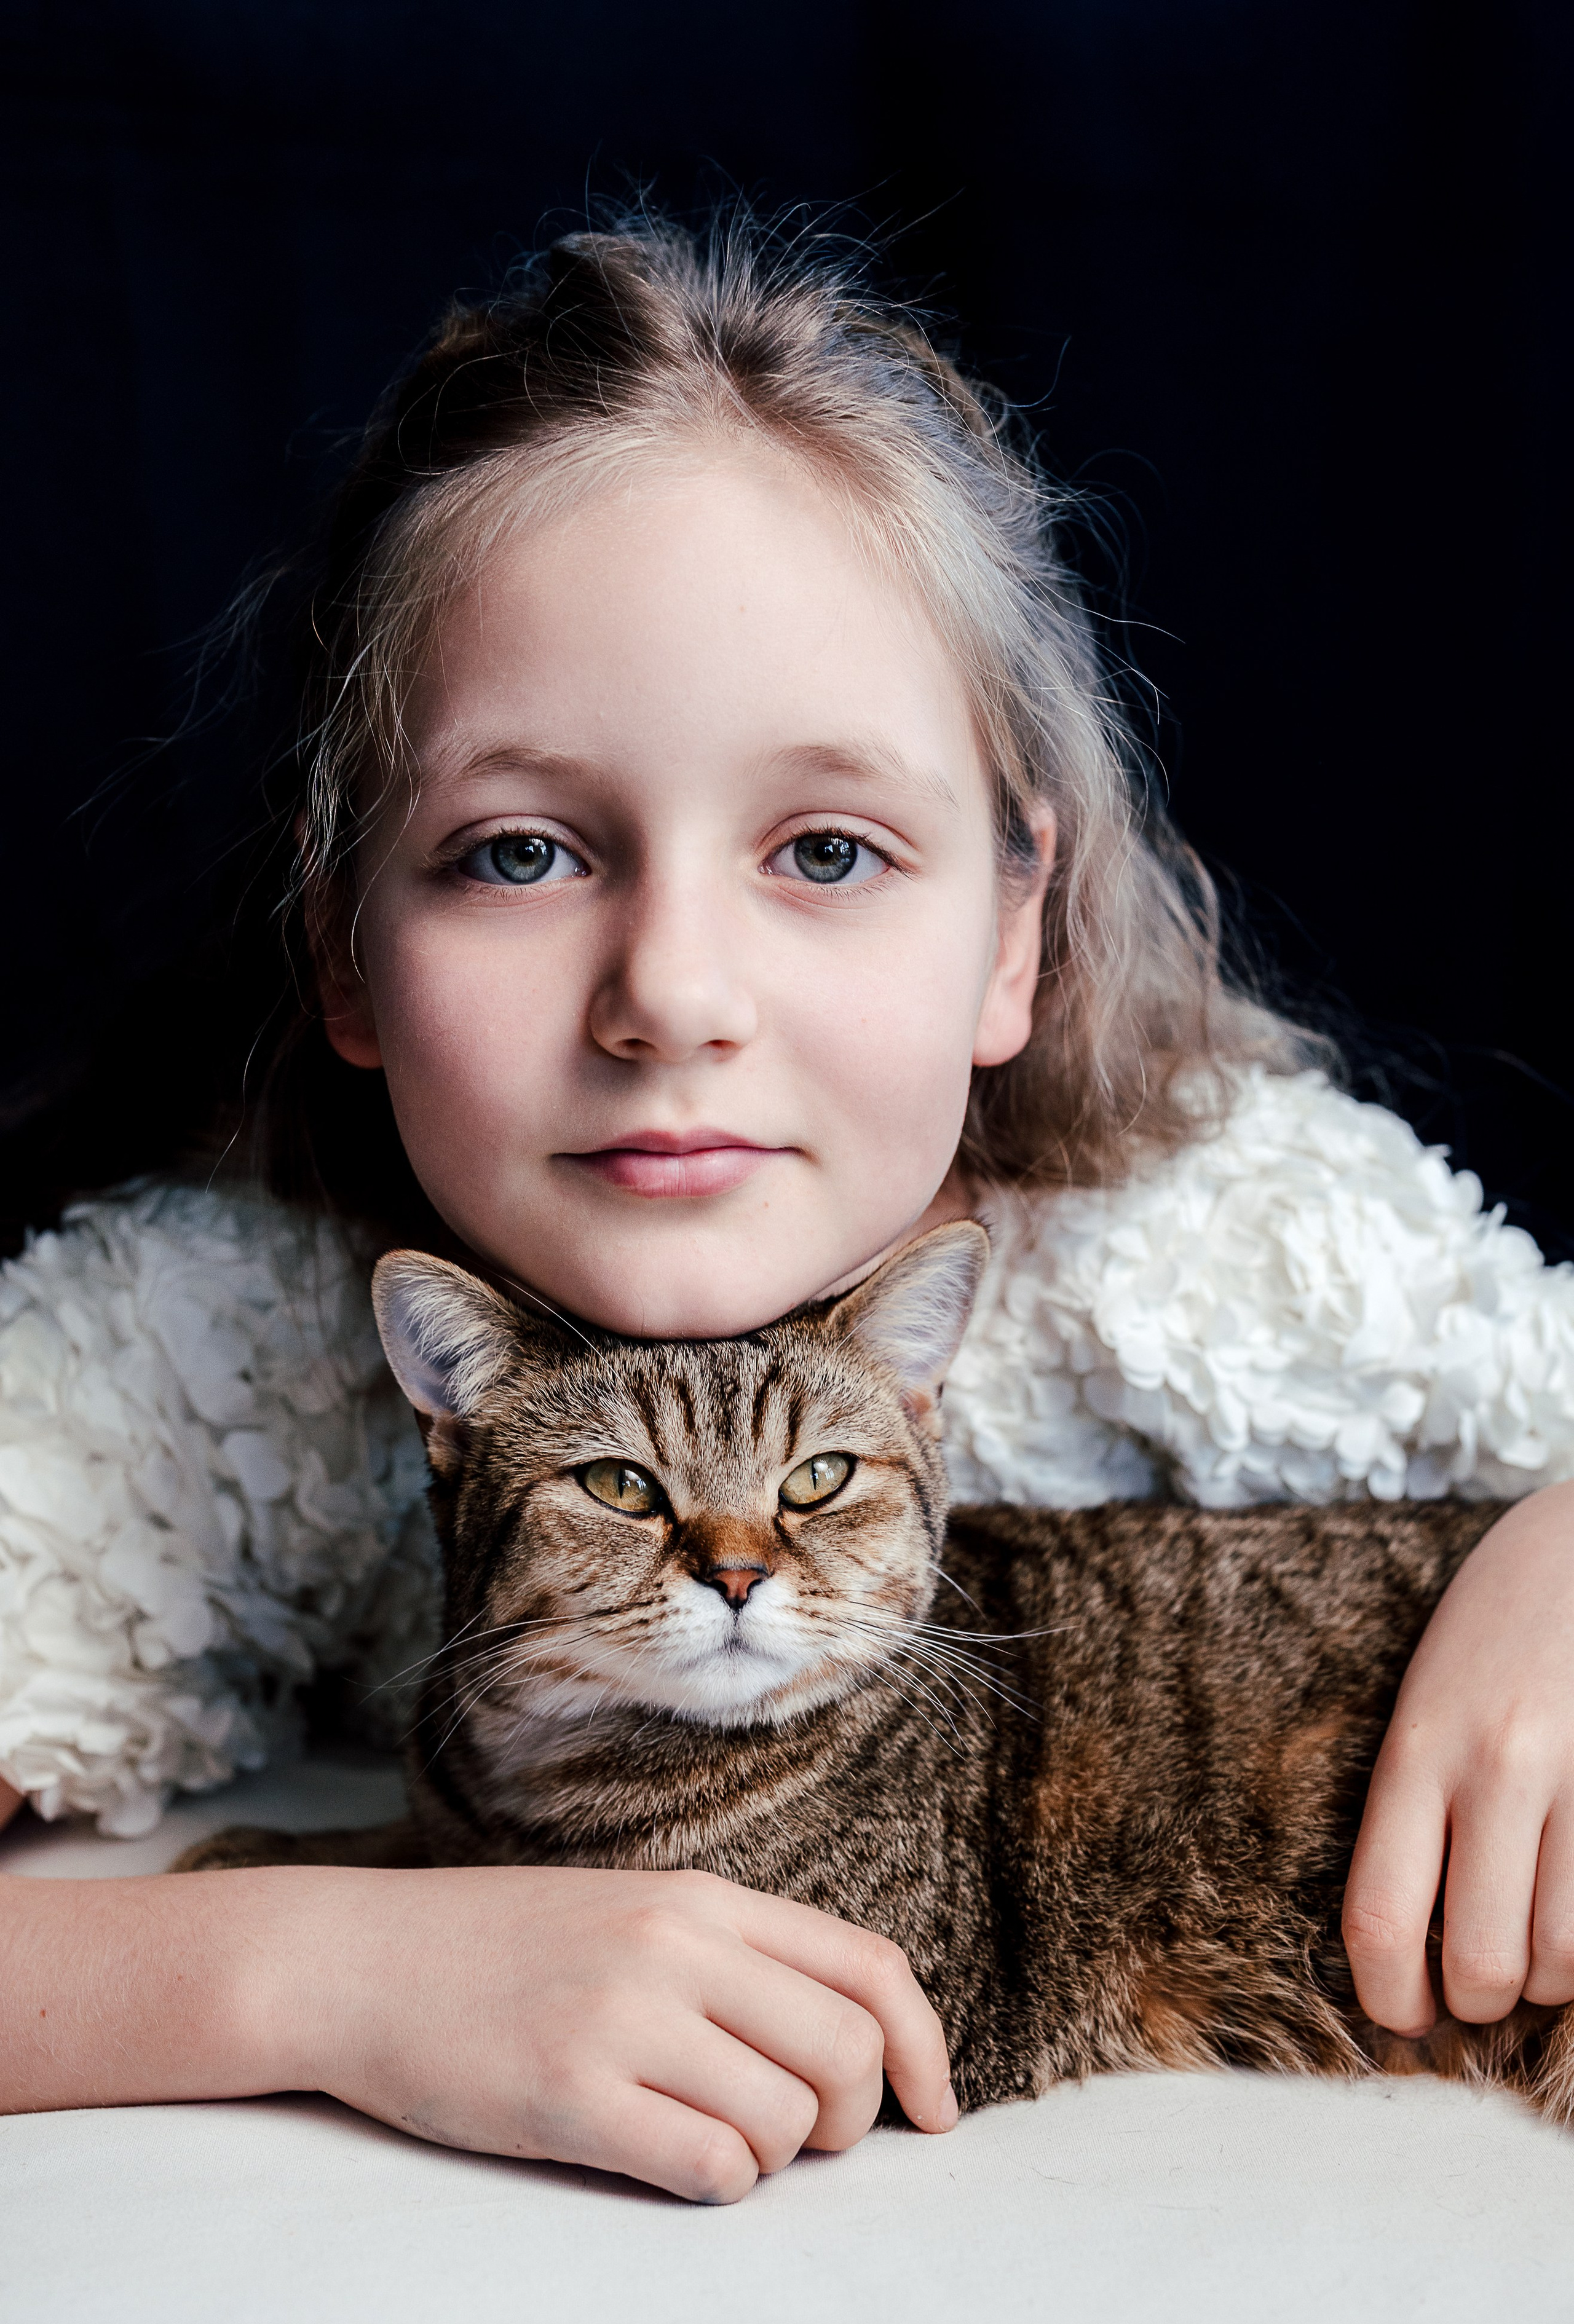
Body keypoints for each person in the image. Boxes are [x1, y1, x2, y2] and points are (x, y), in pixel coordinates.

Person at [3, 218, 1572, 2203]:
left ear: (1014, 934)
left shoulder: (1243, 1247)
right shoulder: (194, 1355)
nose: (676, 995)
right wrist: (317, 1969)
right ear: (343, 950)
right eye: (520, 850)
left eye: (825, 847)